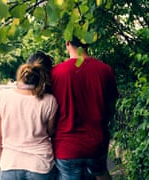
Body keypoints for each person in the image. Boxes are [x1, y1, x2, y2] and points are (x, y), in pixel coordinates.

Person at [51, 36, 118, 180]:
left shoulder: (56, 73)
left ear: (67, 43)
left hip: (66, 146)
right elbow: (112, 107)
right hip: (96, 143)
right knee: (102, 173)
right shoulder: (105, 70)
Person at [0, 56, 58, 180]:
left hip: (10, 163)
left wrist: (3, 156)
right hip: (40, 164)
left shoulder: (2, 97)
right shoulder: (49, 100)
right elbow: (51, 131)